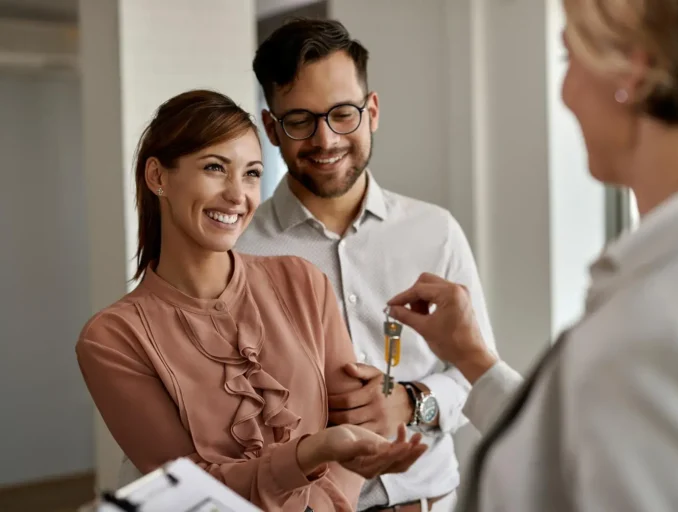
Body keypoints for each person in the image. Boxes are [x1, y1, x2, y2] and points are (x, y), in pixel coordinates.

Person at [387, 0, 678, 510]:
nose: (565, 95)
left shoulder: (659, 334)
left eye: (569, 59)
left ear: (633, 70)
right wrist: (474, 360)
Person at [75, 90, 427, 512]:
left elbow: (351, 426)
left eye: (252, 174)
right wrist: (310, 453)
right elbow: (187, 490)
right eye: (214, 168)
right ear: (158, 177)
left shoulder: (302, 281)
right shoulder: (113, 338)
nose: (237, 195)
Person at [235, 17, 507, 512]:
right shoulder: (238, 251)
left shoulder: (435, 230)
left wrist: (411, 401)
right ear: (271, 129)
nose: (325, 140)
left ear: (372, 110)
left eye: (343, 113)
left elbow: (475, 370)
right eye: (300, 120)